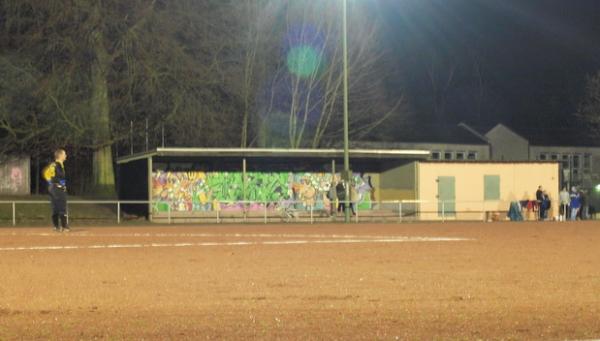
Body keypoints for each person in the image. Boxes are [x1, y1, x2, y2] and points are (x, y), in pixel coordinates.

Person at [42, 149, 70, 232]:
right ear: (60, 156)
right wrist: (59, 185)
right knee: (62, 206)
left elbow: (46, 174)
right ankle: (64, 226)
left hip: (52, 188)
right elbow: (60, 177)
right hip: (57, 188)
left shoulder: (53, 165)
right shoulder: (58, 165)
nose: (66, 156)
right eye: (64, 154)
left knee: (55, 207)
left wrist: (51, 183)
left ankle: (56, 226)